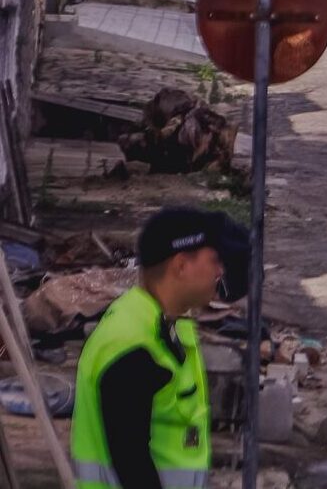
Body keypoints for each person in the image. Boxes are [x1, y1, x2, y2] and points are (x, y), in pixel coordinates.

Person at [72, 206, 248, 489]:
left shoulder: (167, 326)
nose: (220, 270)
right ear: (181, 265)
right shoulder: (132, 346)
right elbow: (131, 463)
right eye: (214, 260)